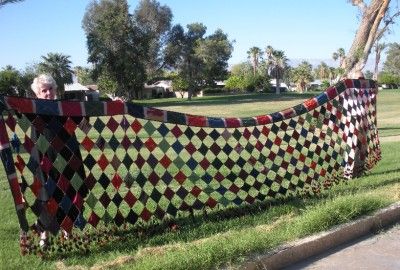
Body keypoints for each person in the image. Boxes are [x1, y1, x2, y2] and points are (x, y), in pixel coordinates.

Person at [29, 74, 87, 249]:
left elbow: (84, 125)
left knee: (70, 193)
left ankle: (68, 232)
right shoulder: (31, 109)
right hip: (45, 160)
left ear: (56, 90)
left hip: (69, 158)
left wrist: (115, 105)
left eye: (50, 89)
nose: (48, 93)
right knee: (46, 197)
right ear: (37, 93)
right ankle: (44, 235)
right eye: (43, 90)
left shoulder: (66, 107)